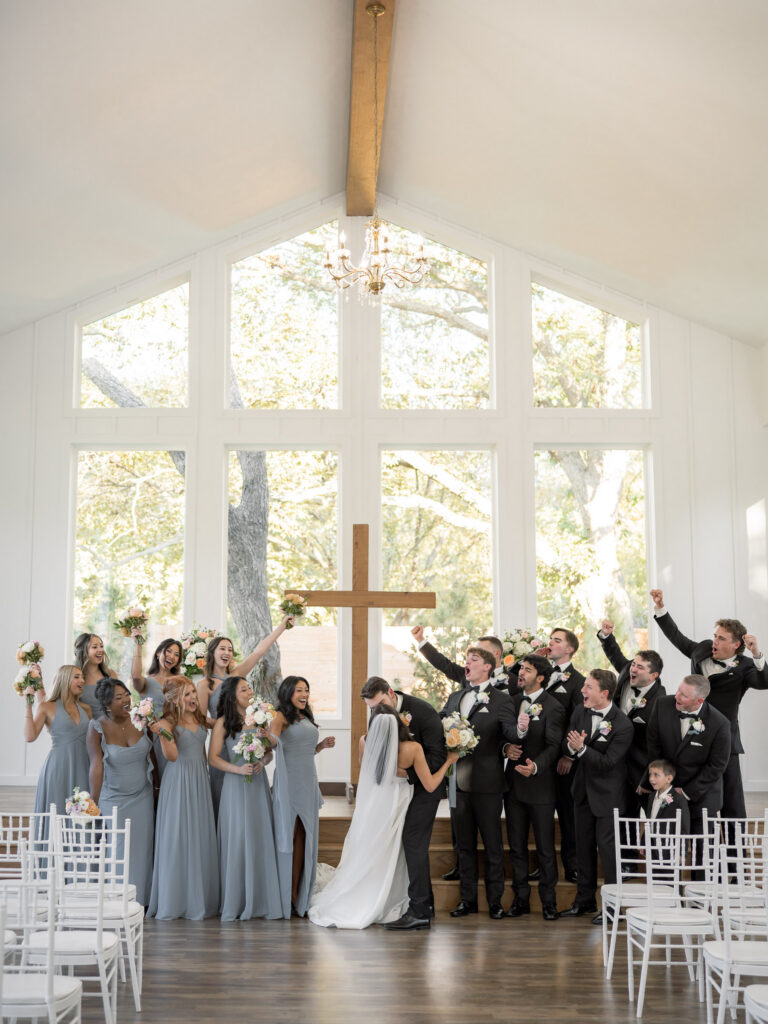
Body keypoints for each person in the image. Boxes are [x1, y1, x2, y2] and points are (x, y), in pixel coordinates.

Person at [308, 705, 458, 930]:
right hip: (398, 805)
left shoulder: (365, 742)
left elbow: (365, 769)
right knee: (396, 851)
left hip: (375, 806)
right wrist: (448, 762)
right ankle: (394, 899)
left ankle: (371, 894)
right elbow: (430, 785)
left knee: (375, 850)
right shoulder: (412, 748)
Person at [650, 588, 767, 819]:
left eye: (721, 638)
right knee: (695, 797)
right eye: (715, 636)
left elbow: (764, 682)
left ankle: (735, 844)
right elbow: (676, 636)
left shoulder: (745, 666)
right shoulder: (702, 649)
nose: (715, 641)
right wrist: (660, 608)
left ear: (736, 645)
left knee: (733, 803)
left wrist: (757, 654)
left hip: (725, 738)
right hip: (692, 738)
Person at [359, 676, 448, 930]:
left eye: (379, 704)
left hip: (424, 787)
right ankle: (426, 904)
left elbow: (438, 756)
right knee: (404, 842)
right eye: (371, 708)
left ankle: (419, 911)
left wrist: (405, 773)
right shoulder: (379, 714)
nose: (375, 711)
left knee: (413, 841)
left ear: (390, 693)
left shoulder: (423, 712)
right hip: (398, 791)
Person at [440, 647, 515, 920]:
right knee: (464, 847)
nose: (467, 663)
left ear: (488, 667)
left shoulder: (502, 700)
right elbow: (441, 726)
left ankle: (495, 902)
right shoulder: (454, 697)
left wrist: (516, 736)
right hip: (457, 782)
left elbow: (509, 733)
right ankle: (467, 900)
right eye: (466, 659)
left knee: (493, 846)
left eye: (473, 660)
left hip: (488, 784)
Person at [197, 618, 294, 817]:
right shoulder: (204, 684)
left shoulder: (236, 675)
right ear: (212, 652)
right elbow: (199, 718)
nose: (227, 652)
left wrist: (282, 627)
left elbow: (258, 652)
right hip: (222, 742)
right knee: (222, 791)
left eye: (230, 649)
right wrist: (224, 725)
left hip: (244, 738)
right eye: (222, 648)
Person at [560, 669, 633, 923]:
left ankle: (612, 909)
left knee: (609, 854)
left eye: (588, 687)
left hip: (608, 797)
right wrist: (572, 748)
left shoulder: (623, 725)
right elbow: (567, 742)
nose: (583, 690)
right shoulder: (580, 711)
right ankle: (584, 901)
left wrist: (580, 750)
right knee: (583, 849)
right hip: (582, 792)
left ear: (604, 693)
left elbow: (608, 762)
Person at [209, 676, 283, 921]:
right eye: (244, 689)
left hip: (257, 785)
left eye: (250, 687)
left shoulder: (260, 719)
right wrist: (238, 769)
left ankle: (260, 898)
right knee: (238, 837)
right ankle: (237, 899)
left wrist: (262, 761)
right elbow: (213, 758)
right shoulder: (223, 723)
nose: (250, 691)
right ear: (232, 696)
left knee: (258, 836)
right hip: (235, 784)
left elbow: (269, 752)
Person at [147, 679, 218, 920]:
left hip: (199, 780)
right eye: (187, 694)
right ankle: (176, 899)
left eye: (194, 693)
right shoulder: (166, 723)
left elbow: (220, 726)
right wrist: (163, 735)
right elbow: (172, 756)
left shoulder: (199, 718)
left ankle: (200, 897)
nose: (193, 698)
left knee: (198, 835)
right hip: (178, 781)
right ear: (175, 698)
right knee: (177, 835)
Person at [502, 654, 565, 921]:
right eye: (521, 669)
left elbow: (554, 745)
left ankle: (549, 902)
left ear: (540, 677)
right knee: (516, 847)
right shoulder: (511, 700)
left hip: (540, 787)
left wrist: (536, 766)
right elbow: (500, 734)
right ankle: (520, 900)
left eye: (527, 670)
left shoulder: (554, 706)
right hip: (513, 786)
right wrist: (506, 748)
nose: (521, 673)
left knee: (545, 849)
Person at [86, 678, 158, 906]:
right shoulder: (97, 727)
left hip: (142, 795)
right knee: (118, 849)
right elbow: (96, 765)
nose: (126, 700)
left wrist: (157, 788)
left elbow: (153, 755)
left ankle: (141, 902)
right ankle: (117, 901)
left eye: (127, 694)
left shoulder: (141, 720)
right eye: (119, 698)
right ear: (107, 703)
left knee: (142, 848)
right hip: (114, 799)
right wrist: (94, 803)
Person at [269, 675, 335, 918]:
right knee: (290, 835)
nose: (304, 694)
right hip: (290, 782)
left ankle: (298, 892)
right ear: (288, 692)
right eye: (299, 690)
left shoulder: (305, 715)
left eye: (306, 689)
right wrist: (262, 731)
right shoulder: (280, 716)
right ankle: (287, 894)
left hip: (308, 781)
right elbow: (272, 743)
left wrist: (321, 746)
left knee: (304, 837)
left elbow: (303, 751)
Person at [645, 675, 731, 833]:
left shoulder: (720, 724)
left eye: (684, 695)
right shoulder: (662, 705)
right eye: (678, 690)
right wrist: (665, 783)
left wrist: (687, 792)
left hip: (702, 795)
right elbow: (653, 746)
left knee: (703, 846)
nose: (677, 696)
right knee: (667, 843)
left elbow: (717, 765)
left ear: (699, 700)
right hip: (668, 790)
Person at [597, 619, 666, 816]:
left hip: (641, 770)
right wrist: (606, 636)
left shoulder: (660, 702)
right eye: (634, 664)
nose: (634, 669)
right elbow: (615, 655)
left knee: (654, 816)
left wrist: (648, 779)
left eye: (640, 667)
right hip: (616, 766)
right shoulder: (628, 671)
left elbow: (658, 746)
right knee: (623, 816)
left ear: (653, 676)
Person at [27, 665, 91, 834]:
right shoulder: (46, 707)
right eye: (77, 677)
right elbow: (30, 736)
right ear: (64, 679)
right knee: (56, 814)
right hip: (57, 769)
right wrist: (28, 706)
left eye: (82, 677)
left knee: (82, 820)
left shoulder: (86, 709)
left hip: (83, 768)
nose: (82, 681)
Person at [131, 637, 184, 779]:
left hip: (178, 733)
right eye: (169, 651)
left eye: (177, 654)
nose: (172, 656)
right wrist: (138, 645)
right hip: (155, 734)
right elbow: (135, 676)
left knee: (177, 775)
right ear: (158, 653)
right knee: (158, 775)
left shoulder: (180, 681)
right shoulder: (147, 682)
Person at [411, 625, 509, 688]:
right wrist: (420, 639)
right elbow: (442, 663)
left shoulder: (514, 680)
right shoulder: (465, 675)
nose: (477, 655)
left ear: (497, 653)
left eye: (482, 651)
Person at [73, 633, 118, 717]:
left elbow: (119, 703)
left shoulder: (110, 674)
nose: (101, 650)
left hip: (111, 724)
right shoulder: (73, 677)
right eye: (95, 647)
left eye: (101, 646)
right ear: (83, 651)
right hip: (86, 725)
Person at [646, 758, 691, 831]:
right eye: (650, 775)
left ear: (669, 779)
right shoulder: (651, 796)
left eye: (656, 775)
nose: (651, 779)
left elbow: (684, 829)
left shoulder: (678, 799)